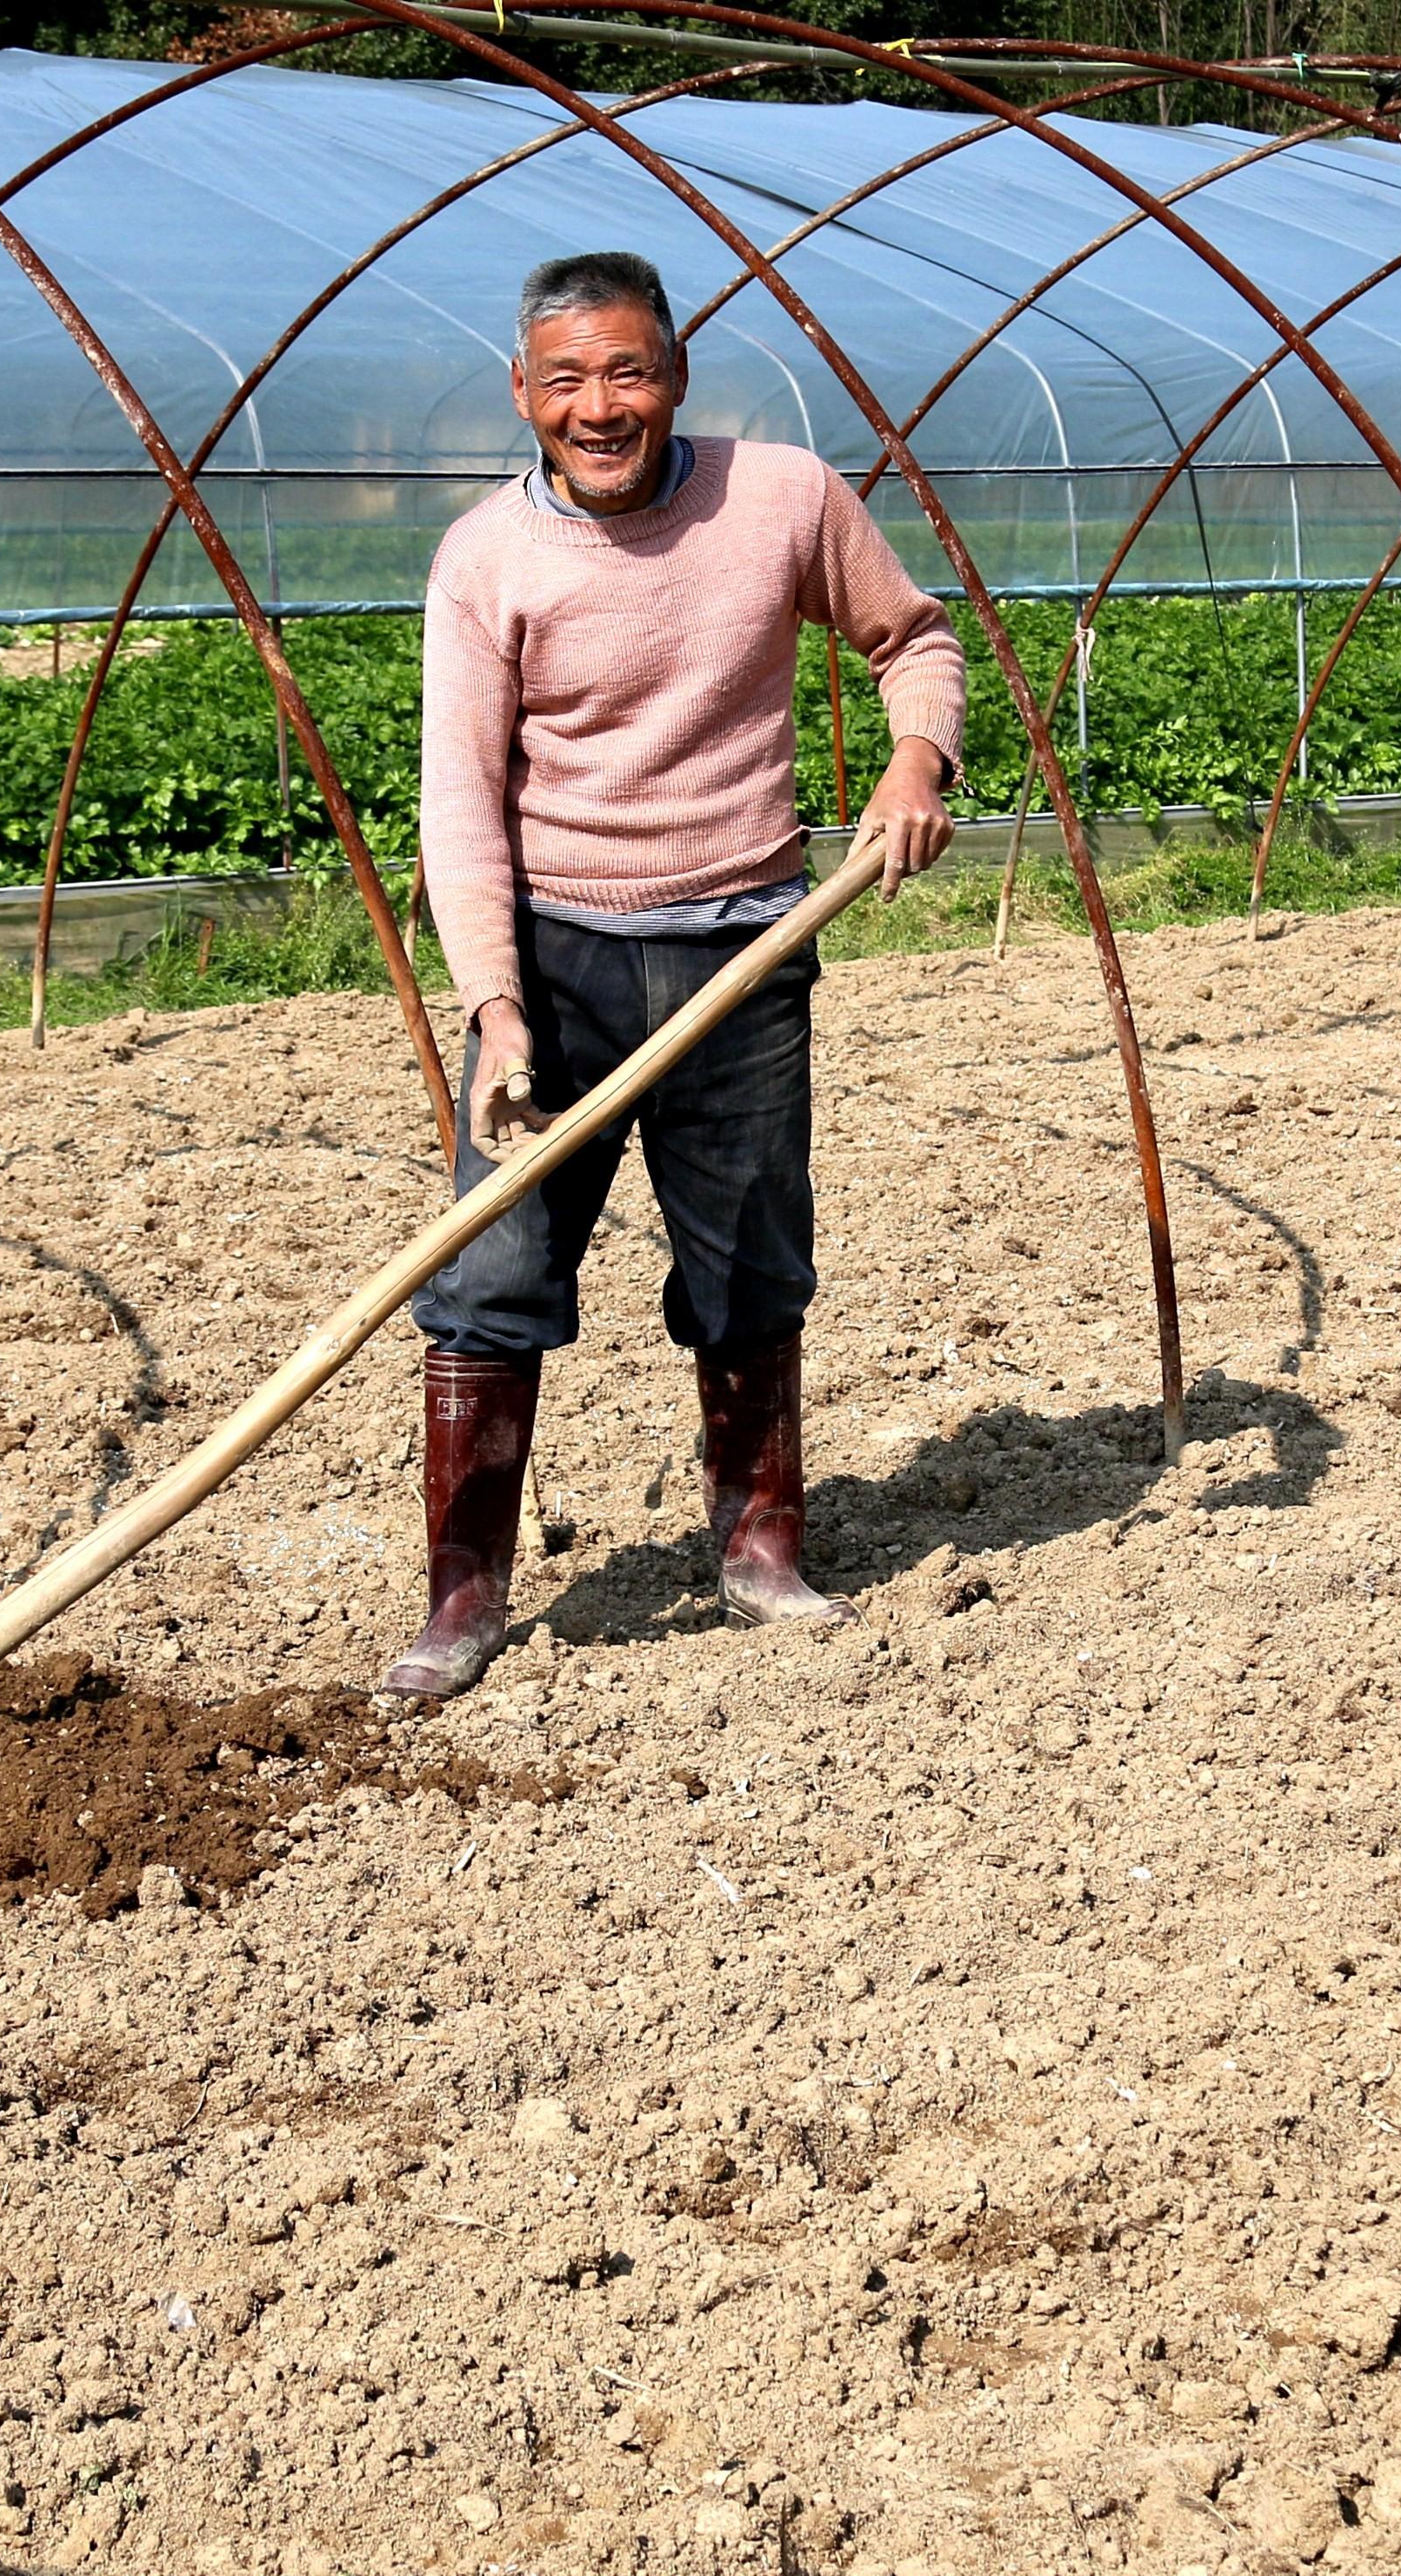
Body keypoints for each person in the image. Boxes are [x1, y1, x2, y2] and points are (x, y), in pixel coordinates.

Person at [383, 248, 966, 1701]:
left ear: (678, 376)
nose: (601, 405)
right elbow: (458, 797)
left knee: (753, 1264)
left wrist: (916, 758)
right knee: (493, 1270)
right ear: (523, 393)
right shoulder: (487, 560)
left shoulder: (781, 499)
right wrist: (496, 1006)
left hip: (746, 946)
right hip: (558, 964)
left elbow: (915, 640)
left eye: (628, 371)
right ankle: (464, 1598)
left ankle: (761, 1549)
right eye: (568, 378)